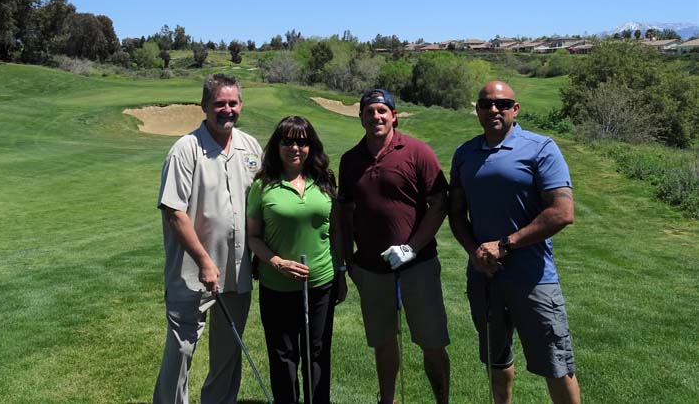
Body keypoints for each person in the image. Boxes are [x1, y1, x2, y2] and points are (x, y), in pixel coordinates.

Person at [448, 80, 581, 404]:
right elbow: (455, 213)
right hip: (484, 277)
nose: (494, 109)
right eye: (486, 104)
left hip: (533, 277)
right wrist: (474, 252)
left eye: (503, 104)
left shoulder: (541, 147)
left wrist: (505, 244)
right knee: (497, 359)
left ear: (515, 109)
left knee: (556, 364)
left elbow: (562, 212)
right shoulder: (465, 154)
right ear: (477, 110)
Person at [153, 73, 262, 404]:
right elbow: (174, 212)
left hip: (238, 269)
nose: (226, 109)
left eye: (232, 103)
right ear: (204, 106)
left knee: (229, 350)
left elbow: (263, 202)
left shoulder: (251, 147)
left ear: (241, 105)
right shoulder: (185, 150)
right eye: (219, 103)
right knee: (182, 349)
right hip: (193, 272)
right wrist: (203, 260)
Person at [337, 88, 450, 404]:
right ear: (360, 117)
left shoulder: (417, 151)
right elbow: (344, 215)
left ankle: (443, 400)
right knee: (383, 342)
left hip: (418, 266)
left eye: (382, 111)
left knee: (431, 342)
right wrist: (348, 264)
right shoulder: (350, 160)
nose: (376, 116)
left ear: (394, 115)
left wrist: (412, 247)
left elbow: (439, 203)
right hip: (372, 270)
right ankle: (386, 400)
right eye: (369, 111)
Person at [247, 116, 346, 404]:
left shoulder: (325, 180)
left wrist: (340, 273)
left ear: (311, 146)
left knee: (317, 354)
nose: (295, 148)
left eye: (302, 142)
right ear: (277, 146)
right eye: (287, 141)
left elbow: (336, 230)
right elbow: (253, 237)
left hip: (321, 284)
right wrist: (277, 262)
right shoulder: (263, 185)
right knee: (283, 356)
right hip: (277, 285)